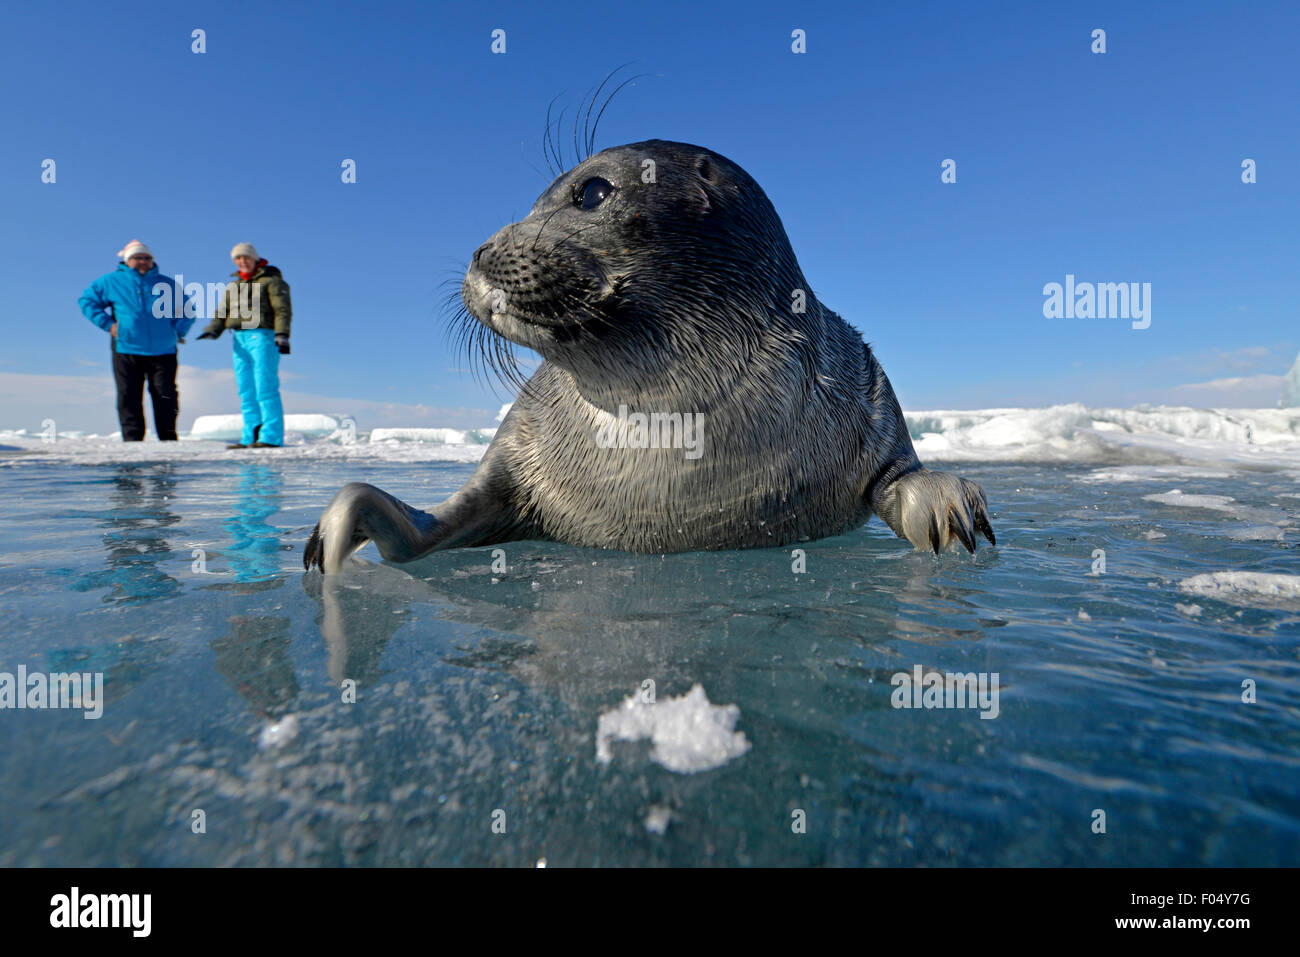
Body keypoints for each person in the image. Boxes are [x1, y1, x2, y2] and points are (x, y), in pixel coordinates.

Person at [78, 240, 194, 441]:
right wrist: (108, 325)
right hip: (126, 347)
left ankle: (168, 439)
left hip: (164, 350)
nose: (143, 261)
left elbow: (187, 310)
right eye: (137, 258)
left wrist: (176, 332)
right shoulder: (110, 282)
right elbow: (87, 301)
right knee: (128, 395)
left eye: (147, 258)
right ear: (127, 260)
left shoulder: (167, 284)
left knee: (166, 395)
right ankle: (132, 441)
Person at [197, 243, 292, 449]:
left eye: (246, 257)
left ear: (255, 259)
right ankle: (250, 436)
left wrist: (282, 334)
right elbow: (222, 312)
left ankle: (270, 436)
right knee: (246, 389)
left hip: (262, 336)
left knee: (264, 386)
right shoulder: (234, 286)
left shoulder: (272, 282)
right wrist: (213, 330)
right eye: (238, 258)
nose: (242, 261)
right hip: (239, 339)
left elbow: (282, 309)